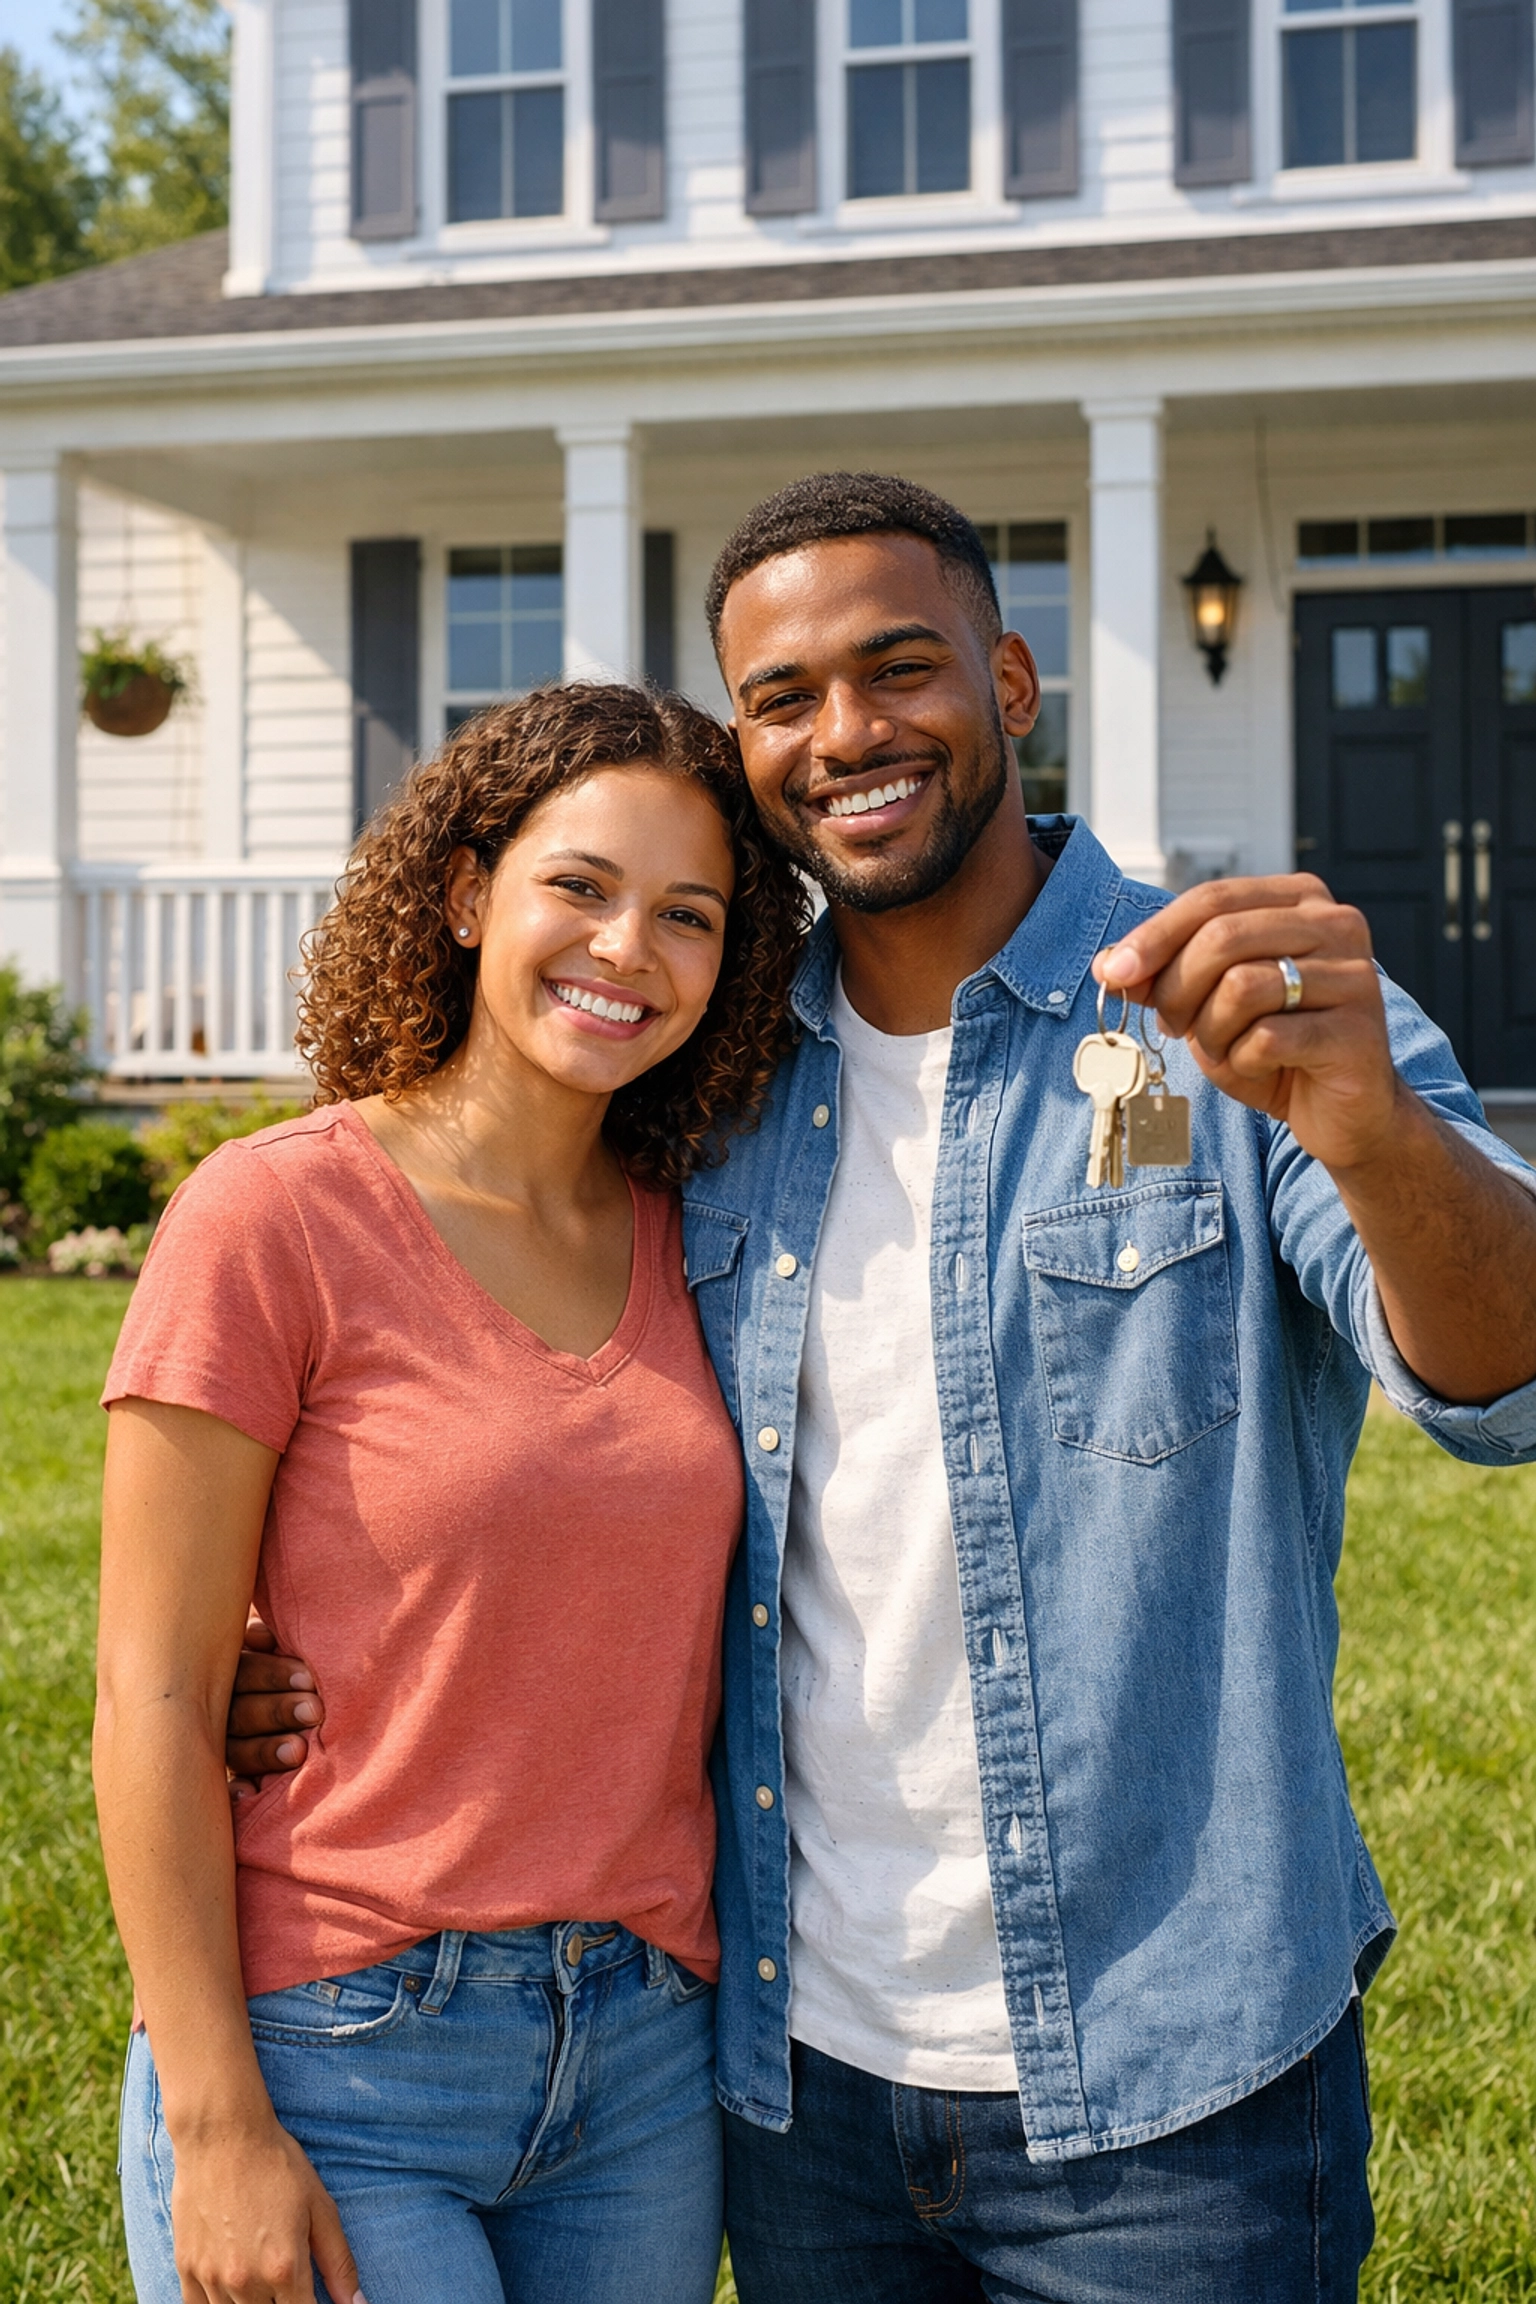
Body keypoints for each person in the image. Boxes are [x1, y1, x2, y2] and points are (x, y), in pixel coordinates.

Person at [230, 475, 1536, 2304]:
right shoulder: (714, 1079)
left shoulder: (1233, 1015)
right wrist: (285, 1649)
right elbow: (522, 1407)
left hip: (1178, 2085)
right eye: (780, 698)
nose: (844, 733)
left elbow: (1500, 1385)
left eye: (898, 668)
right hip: (797, 2084)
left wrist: (1378, 1132)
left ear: (1009, 682)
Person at [94, 682, 806, 2304]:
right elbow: (152, 1693)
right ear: (470, 890)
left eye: (688, 915)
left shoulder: (698, 1234)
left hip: (640, 2062)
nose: (628, 949)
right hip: (338, 2048)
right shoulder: (271, 1219)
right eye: (580, 886)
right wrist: (216, 2127)